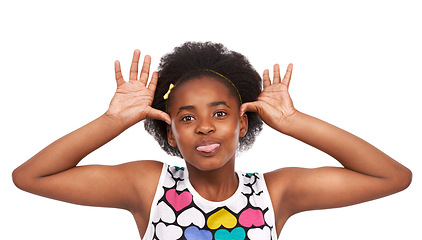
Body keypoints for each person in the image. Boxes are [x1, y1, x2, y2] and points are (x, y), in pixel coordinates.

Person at [12, 42, 412, 240]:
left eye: (220, 114)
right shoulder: (148, 187)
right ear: (170, 131)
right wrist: (112, 121)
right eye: (187, 117)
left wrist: (294, 121)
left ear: (242, 124)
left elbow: (392, 177)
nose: (204, 127)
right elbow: (30, 177)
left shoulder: (277, 194)